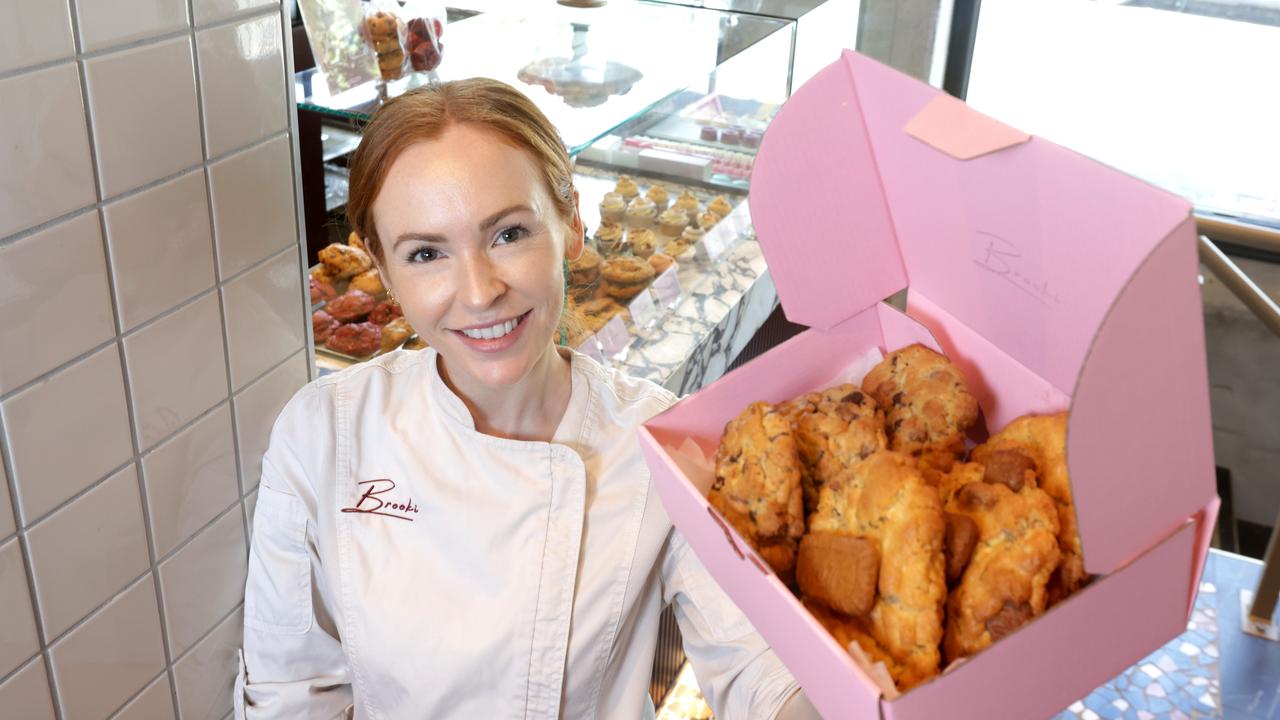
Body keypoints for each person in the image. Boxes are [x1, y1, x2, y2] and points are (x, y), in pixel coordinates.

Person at [234, 78, 819, 719]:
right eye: (426, 253)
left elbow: (764, 674)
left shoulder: (659, 440)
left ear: (571, 222)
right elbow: (289, 697)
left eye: (508, 235)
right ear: (381, 267)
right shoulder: (323, 433)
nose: (480, 292)